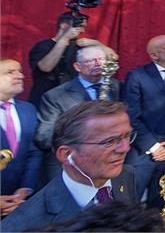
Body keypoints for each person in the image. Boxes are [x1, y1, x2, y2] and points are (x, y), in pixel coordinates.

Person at [1, 101, 138, 232]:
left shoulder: (125, 176)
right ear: (66, 154)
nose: (125, 148)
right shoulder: (22, 225)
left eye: (126, 136)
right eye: (110, 141)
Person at [123, 35, 165, 209]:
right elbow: (132, 117)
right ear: (154, 55)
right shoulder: (137, 76)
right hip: (142, 153)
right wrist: (154, 147)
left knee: (160, 207)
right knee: (129, 206)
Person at [36, 45, 120, 180]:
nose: (98, 64)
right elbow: (45, 135)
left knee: (107, 199)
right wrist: (79, 147)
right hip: (73, 165)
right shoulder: (55, 96)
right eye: (91, 60)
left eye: (101, 59)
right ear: (77, 66)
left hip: (111, 163)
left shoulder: (117, 87)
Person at [0, 59, 42, 217]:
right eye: (10, 72)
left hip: (17, 205)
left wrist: (25, 189)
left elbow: (33, 153)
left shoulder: (28, 109)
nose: (20, 76)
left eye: (20, 71)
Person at [28, 14, 98, 107]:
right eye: (80, 26)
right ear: (64, 26)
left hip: (72, 101)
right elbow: (45, 67)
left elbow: (113, 58)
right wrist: (65, 38)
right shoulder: (43, 46)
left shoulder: (78, 47)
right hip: (44, 101)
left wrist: (96, 43)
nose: (82, 31)